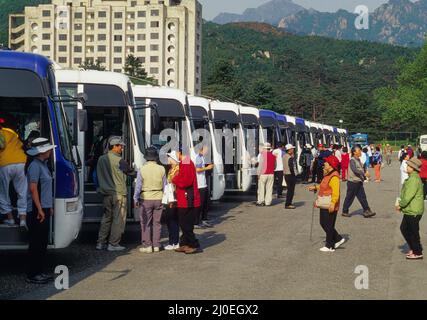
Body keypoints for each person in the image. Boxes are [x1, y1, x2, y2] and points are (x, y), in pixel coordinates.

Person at [96, 137, 135, 252]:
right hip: (118, 194)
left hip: (106, 194)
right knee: (118, 220)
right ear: (114, 146)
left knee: (106, 218)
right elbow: (130, 172)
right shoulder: (120, 161)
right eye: (120, 146)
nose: (122, 148)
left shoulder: (101, 159)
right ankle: (113, 244)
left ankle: (100, 243)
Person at [25, 138, 56, 284]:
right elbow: (33, 189)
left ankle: (39, 272)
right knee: (36, 243)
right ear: (43, 151)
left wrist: (49, 206)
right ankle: (33, 274)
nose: (50, 151)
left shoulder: (42, 165)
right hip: (37, 209)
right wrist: (40, 209)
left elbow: (44, 189)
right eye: (49, 149)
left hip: (43, 207)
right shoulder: (35, 166)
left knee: (42, 243)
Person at [309, 155, 345, 252]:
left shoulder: (334, 176)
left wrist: (333, 203)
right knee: (324, 223)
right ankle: (337, 238)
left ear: (331, 165)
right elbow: (323, 186)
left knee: (328, 224)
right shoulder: (328, 174)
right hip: (324, 202)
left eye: (326, 163)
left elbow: (336, 192)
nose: (324, 164)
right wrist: (315, 187)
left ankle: (330, 245)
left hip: (329, 203)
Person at [134, 147, 166, 253]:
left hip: (146, 198)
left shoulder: (142, 169)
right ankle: (156, 245)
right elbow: (165, 185)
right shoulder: (161, 169)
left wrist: (135, 198)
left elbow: (138, 186)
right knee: (157, 223)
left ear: (146, 158)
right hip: (159, 197)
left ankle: (147, 245)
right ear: (156, 157)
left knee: (145, 223)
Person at [0, 117, 28, 228]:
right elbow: (21, 145)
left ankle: (10, 219)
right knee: (22, 191)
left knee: (3, 193)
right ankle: (22, 220)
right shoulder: (10, 132)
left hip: (5, 163)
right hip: (21, 161)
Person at [172, 150, 201, 254]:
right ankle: (184, 243)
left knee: (186, 223)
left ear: (179, 153)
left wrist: (174, 179)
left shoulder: (186, 162)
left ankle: (193, 244)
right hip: (185, 198)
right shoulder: (184, 162)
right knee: (184, 222)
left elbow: (186, 181)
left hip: (188, 198)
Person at [396, 158, 424, 260]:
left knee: (412, 231)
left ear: (413, 168)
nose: (406, 167)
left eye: (408, 166)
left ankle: (417, 251)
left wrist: (401, 204)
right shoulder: (412, 177)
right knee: (405, 229)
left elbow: (408, 196)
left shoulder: (413, 179)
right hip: (410, 209)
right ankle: (414, 247)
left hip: (414, 210)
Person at [341, 146, 376, 218]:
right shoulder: (352, 160)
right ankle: (345, 211)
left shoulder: (358, 160)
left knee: (363, 197)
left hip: (359, 182)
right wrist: (363, 173)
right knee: (349, 197)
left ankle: (367, 210)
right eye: (359, 151)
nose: (360, 152)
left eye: (360, 150)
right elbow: (355, 170)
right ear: (354, 152)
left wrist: (365, 172)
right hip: (353, 182)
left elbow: (361, 169)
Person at [163, 151, 180, 250]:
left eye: (169, 157)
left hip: (174, 198)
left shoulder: (177, 170)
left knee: (173, 220)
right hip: (169, 196)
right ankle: (172, 241)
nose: (168, 158)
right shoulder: (171, 169)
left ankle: (175, 241)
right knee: (170, 220)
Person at [195, 145, 214, 228]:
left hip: (203, 184)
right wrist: (207, 168)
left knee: (206, 203)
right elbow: (197, 170)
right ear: (201, 150)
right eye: (206, 150)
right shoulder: (198, 157)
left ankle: (204, 219)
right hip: (199, 185)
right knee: (200, 204)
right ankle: (197, 222)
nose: (207, 151)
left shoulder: (202, 157)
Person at [283, 144, 297, 209]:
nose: (293, 150)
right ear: (289, 150)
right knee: (291, 191)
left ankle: (288, 203)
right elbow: (291, 167)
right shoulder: (290, 157)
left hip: (286, 174)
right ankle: (288, 204)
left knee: (289, 190)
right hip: (290, 175)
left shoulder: (284, 156)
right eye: (292, 149)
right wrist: (294, 175)